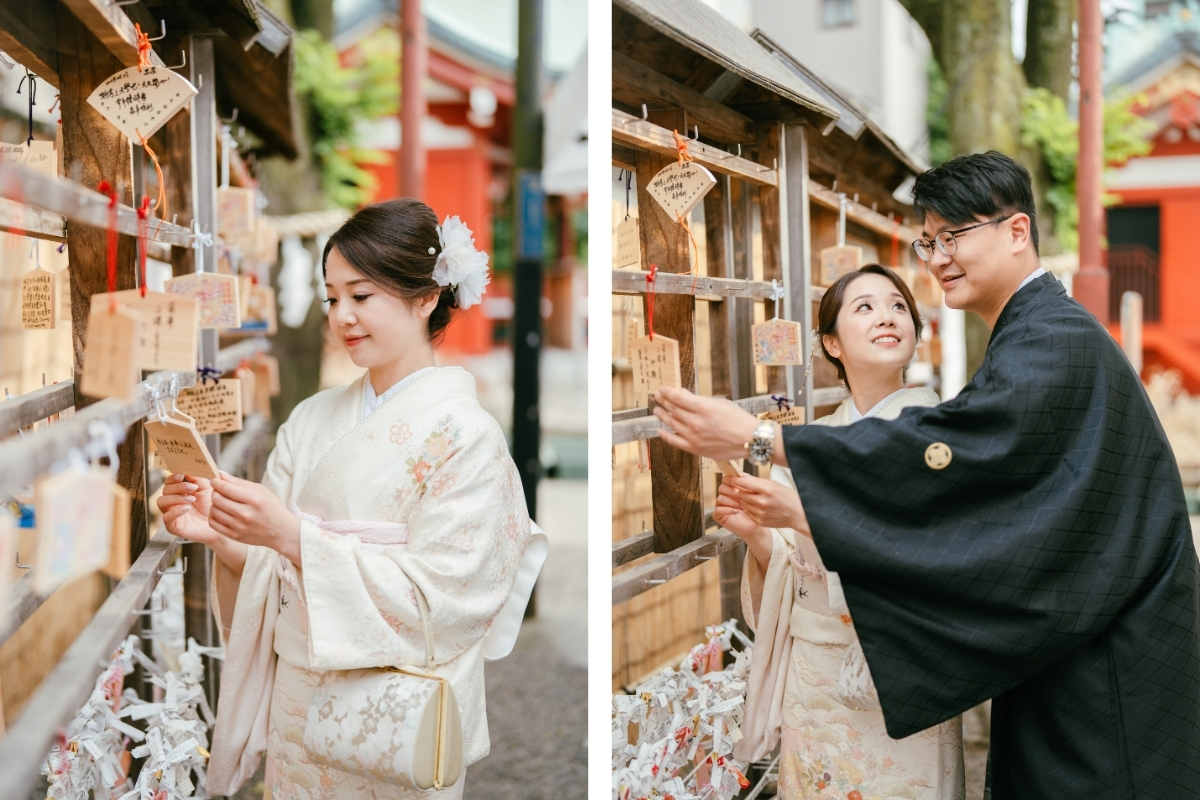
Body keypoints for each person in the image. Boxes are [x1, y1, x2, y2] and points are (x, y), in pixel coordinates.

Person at [654, 151, 1200, 799]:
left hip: (1107, 665)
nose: (938, 257)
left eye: (956, 236)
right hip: (1067, 643)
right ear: (829, 341)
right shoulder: (1037, 332)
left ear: (1017, 231)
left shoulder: (1052, 340)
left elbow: (954, 463)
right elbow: (984, 500)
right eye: (929, 241)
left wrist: (761, 438)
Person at [157, 199, 532, 799]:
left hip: (395, 713)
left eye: (362, 296)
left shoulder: (468, 437)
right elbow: (272, 573)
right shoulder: (310, 419)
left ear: (426, 297)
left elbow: (449, 602)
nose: (343, 317)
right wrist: (222, 532)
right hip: (298, 709)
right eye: (333, 298)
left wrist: (291, 536)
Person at [717, 264, 963, 800]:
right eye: (866, 307)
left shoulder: (942, 432)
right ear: (830, 342)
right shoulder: (810, 440)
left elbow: (931, 556)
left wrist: (795, 515)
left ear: (916, 335)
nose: (887, 317)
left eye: (899, 306)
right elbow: (790, 562)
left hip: (902, 663)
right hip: (817, 673)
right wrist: (756, 534)